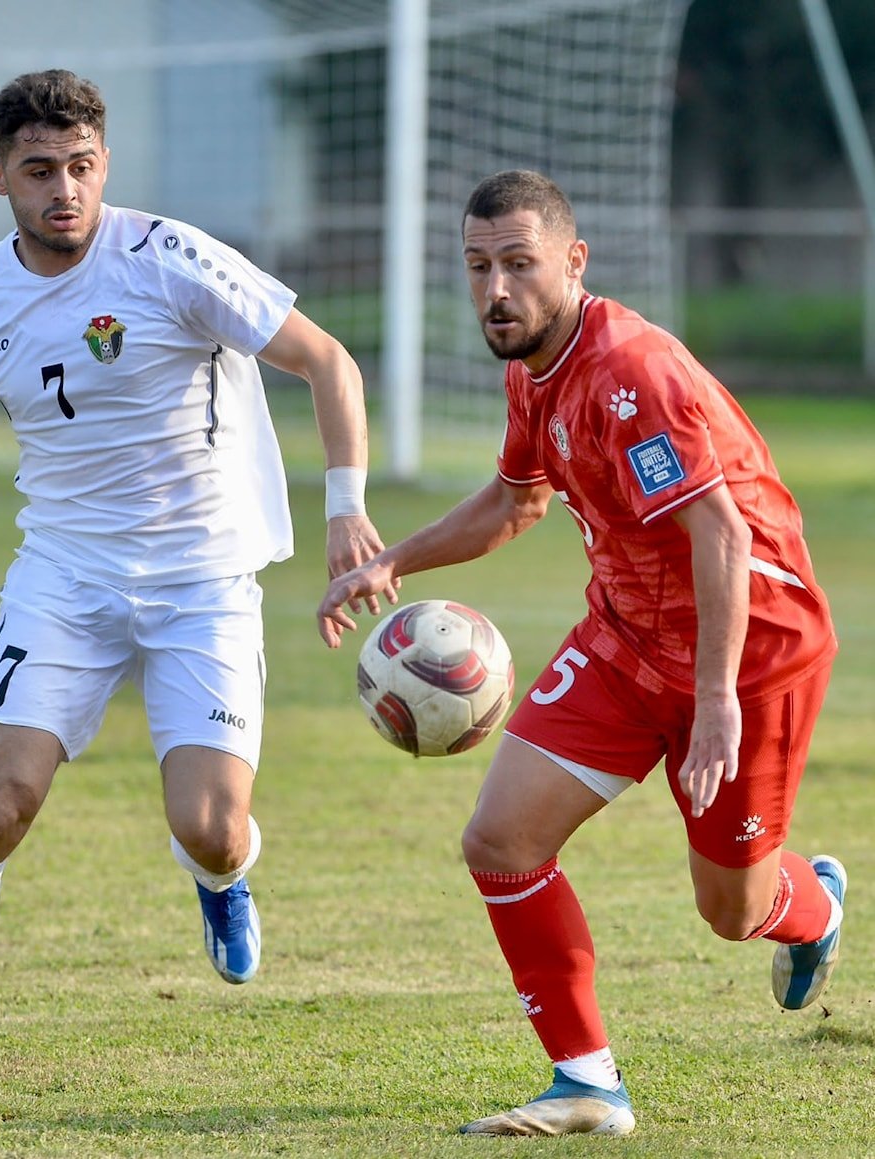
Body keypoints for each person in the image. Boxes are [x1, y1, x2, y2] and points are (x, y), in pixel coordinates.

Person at [0, 68, 391, 1081]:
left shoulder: (170, 258)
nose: (63, 188)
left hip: (202, 576)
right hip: (62, 579)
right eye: (38, 171)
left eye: (80, 166)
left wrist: (345, 510)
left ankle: (222, 874)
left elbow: (327, 361)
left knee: (208, 827)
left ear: (102, 163)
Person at [317, 169, 846, 1138]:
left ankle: (811, 909)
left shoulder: (632, 371)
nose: (495, 290)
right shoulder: (532, 370)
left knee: (731, 909)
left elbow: (720, 535)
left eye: (518, 264)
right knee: (500, 840)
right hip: (624, 636)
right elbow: (516, 502)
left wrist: (718, 700)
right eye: (478, 266)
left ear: (573, 261)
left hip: (752, 654)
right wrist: (392, 560)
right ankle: (586, 1084)